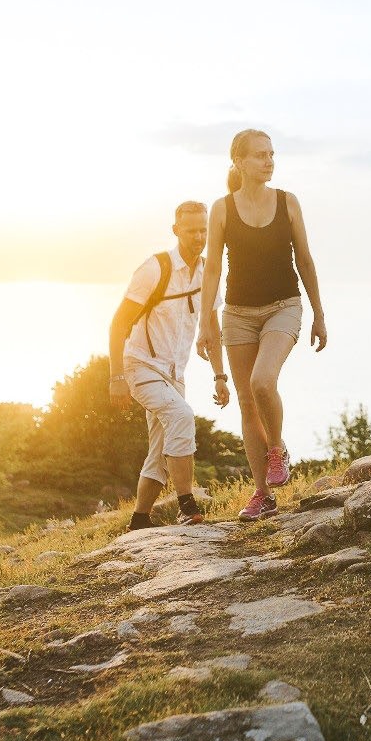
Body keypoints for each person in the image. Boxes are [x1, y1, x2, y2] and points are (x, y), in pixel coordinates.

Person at [197, 129, 327, 521]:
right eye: (259, 155)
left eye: (271, 154)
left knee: (261, 381)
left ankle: (277, 450)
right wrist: (206, 322)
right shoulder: (222, 208)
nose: (268, 161)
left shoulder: (288, 202)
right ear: (238, 161)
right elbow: (213, 269)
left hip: (282, 307)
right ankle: (263, 495)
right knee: (247, 402)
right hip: (237, 314)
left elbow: (304, 259)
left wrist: (319, 314)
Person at [109, 200, 229, 532]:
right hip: (141, 366)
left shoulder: (209, 272)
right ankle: (186, 505)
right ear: (176, 230)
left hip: (175, 375)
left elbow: (212, 327)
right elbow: (118, 325)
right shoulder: (155, 269)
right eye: (191, 231)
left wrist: (220, 375)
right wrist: (116, 377)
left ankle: (139, 519)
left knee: (160, 449)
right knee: (181, 416)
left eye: (204, 230)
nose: (199, 237)